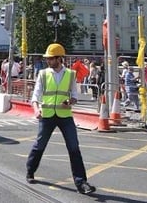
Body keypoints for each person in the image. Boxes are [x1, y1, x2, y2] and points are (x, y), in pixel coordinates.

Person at [26, 43, 95, 194]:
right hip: (47, 115)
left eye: (51, 58)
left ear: (59, 58)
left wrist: (70, 101)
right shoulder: (43, 74)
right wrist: (36, 110)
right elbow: (35, 96)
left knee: (74, 148)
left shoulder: (70, 74)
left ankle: (81, 183)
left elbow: (74, 96)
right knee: (40, 145)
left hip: (65, 116)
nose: (48, 60)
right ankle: (30, 170)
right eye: (47, 58)